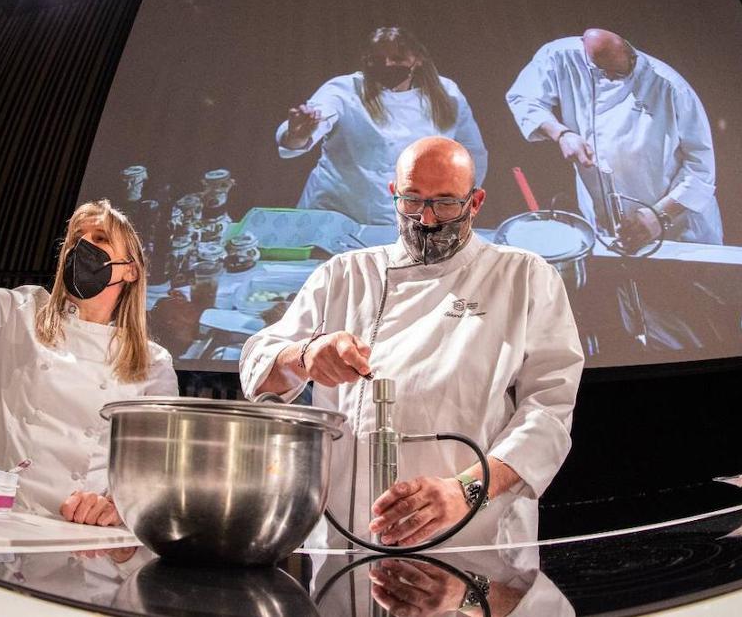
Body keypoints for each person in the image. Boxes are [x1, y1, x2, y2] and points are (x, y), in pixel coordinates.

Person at [240, 136, 583, 548]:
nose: (428, 220)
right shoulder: (345, 274)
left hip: (474, 535)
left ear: (475, 202)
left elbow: (548, 411)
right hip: (346, 535)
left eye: (446, 203)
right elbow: (259, 367)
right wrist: (305, 355)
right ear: (393, 195)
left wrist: (466, 492)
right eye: (413, 200)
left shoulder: (522, 277)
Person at [0, 106, 177, 523]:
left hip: (77, 537)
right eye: (77, 238)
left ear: (130, 270)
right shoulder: (22, 311)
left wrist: (117, 505)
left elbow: (159, 467)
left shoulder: (152, 363)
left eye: (99, 239)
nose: (84, 248)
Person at [505, 29, 722, 251]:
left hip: (679, 229)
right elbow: (522, 98)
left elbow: (702, 170)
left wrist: (659, 215)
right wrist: (561, 133)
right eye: (604, 73)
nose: (611, 78)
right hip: (606, 228)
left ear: (630, 53)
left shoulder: (670, 87)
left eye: (620, 73)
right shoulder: (559, 56)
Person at [276, 26, 489, 225]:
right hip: (335, 213)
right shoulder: (344, 89)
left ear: (418, 59)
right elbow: (312, 124)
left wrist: (461, 202)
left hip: (409, 218)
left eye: (397, 58)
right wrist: (297, 135)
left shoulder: (447, 94)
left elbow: (472, 152)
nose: (387, 65)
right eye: (378, 59)